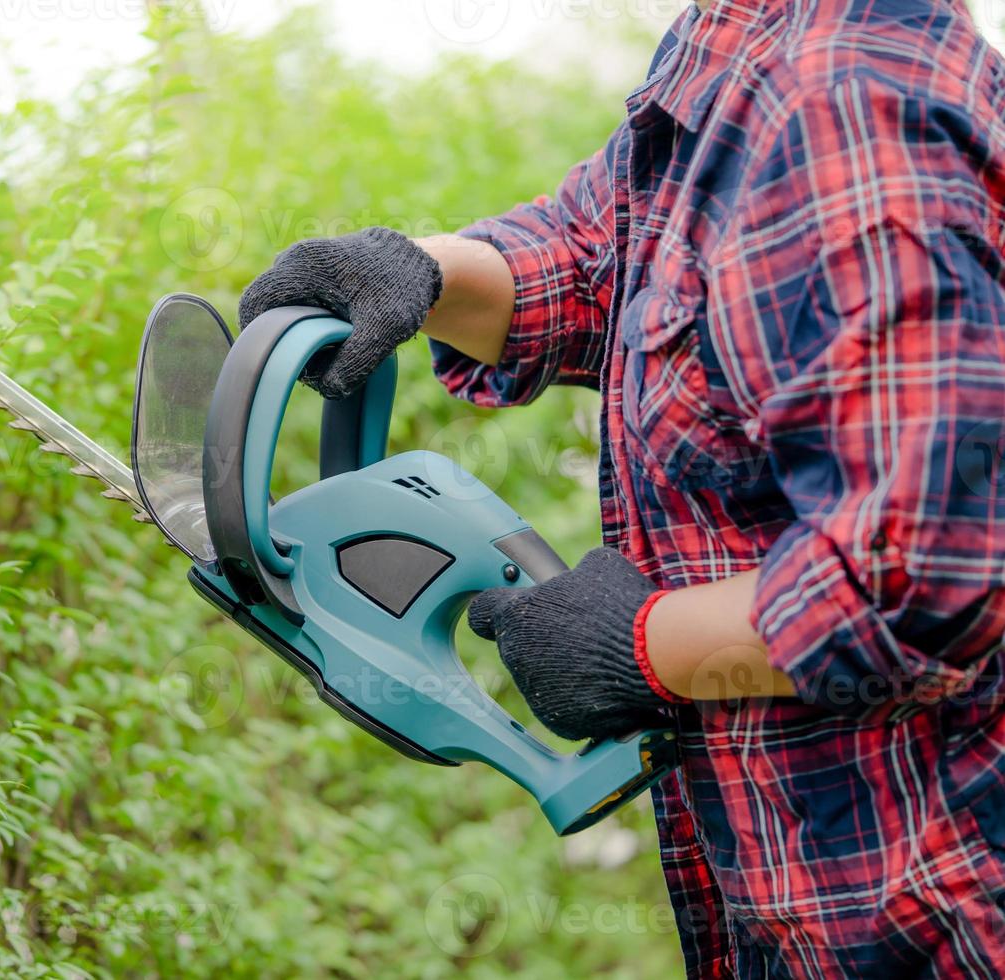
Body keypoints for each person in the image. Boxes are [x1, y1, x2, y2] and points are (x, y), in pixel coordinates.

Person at [237, 0, 1005, 974]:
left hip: (929, 914)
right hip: (788, 902)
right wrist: (418, 272)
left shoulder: (845, 101)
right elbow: (603, 254)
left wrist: (640, 646)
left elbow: (927, 572)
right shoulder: (734, 45)